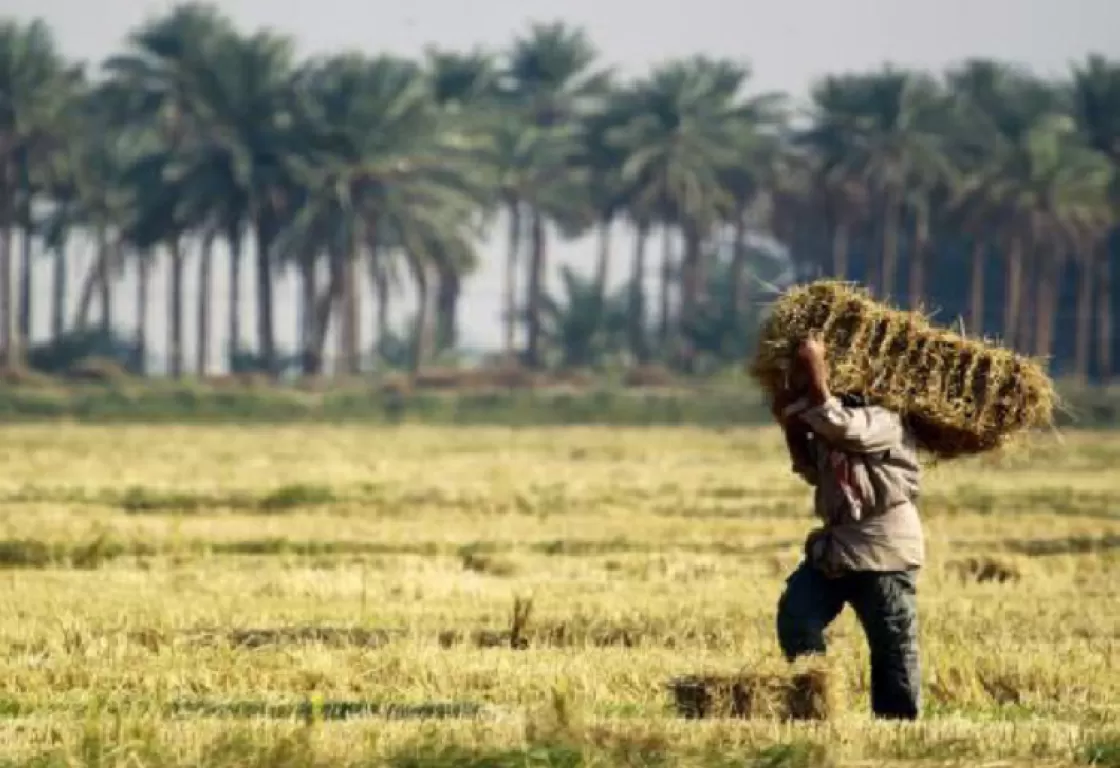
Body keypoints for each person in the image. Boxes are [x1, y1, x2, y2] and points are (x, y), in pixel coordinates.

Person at [771, 334, 924, 721]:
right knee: (796, 617)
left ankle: (897, 728)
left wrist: (815, 370)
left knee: (891, 642)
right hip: (836, 548)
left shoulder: (885, 420)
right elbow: (812, 470)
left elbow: (845, 428)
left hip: (882, 548)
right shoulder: (830, 421)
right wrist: (790, 426)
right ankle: (815, 706)